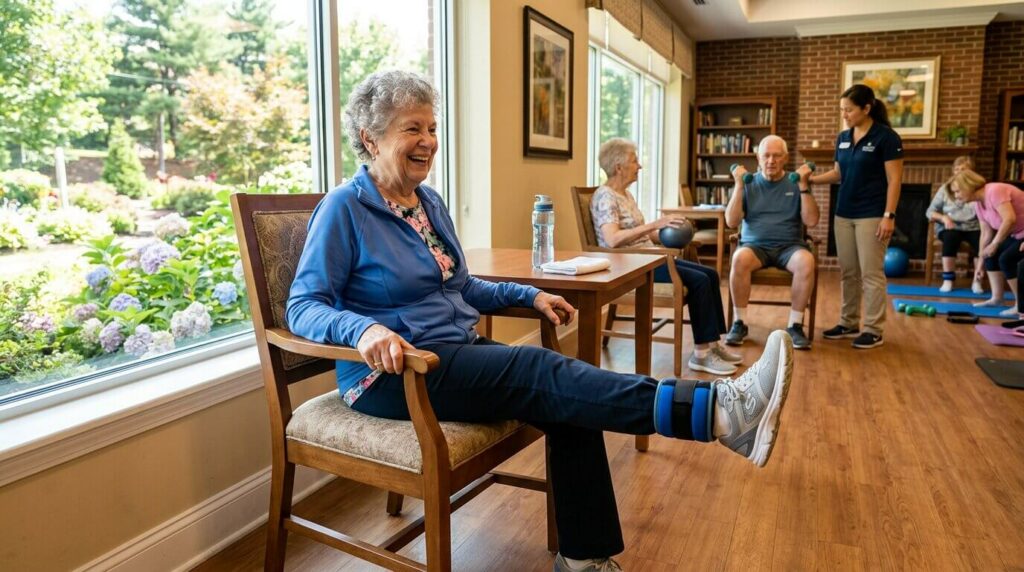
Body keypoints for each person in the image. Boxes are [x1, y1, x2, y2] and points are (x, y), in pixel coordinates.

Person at [285, 71, 796, 572]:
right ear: (370, 139)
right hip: (393, 375)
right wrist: (365, 329)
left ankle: (583, 556)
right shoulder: (344, 208)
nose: (428, 141)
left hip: (452, 354)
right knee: (542, 370)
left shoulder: (428, 204)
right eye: (412, 129)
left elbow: (461, 286)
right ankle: (716, 412)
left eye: (432, 127)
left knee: (567, 399)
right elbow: (303, 305)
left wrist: (528, 294)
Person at [591, 138, 741, 376]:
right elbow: (612, 239)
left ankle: (713, 345)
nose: (639, 166)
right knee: (699, 281)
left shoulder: (626, 196)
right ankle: (701, 355)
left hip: (650, 256)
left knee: (710, 275)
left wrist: (669, 229)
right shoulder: (605, 196)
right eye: (634, 161)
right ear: (618, 167)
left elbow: (641, 233)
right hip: (631, 265)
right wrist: (655, 223)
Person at [808, 84, 904, 349]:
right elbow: (839, 173)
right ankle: (848, 322)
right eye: (842, 110)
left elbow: (894, 180)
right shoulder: (843, 138)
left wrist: (889, 215)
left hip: (872, 214)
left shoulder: (887, 138)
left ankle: (874, 329)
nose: (845, 115)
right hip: (844, 213)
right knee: (848, 272)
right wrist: (812, 179)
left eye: (849, 110)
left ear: (866, 108)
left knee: (871, 273)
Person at [724, 135, 819, 350]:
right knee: (738, 258)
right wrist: (739, 186)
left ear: (785, 158)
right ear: (758, 157)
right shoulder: (748, 184)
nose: (771, 161)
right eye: (766, 155)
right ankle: (740, 323)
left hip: (790, 247)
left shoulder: (795, 183)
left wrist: (804, 186)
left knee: (806, 261)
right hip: (755, 247)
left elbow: (811, 221)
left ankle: (795, 325)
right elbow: (731, 221)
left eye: (776, 156)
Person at [948, 168, 1024, 319]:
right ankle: (997, 299)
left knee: (1006, 259)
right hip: (1018, 234)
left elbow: (1010, 219)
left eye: (957, 191)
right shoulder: (978, 204)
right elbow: (986, 234)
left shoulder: (994, 191)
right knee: (990, 255)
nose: (956, 196)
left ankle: (1020, 306)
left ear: (968, 186)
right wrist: (980, 263)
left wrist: (995, 244)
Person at [925, 155, 983, 293]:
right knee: (951, 237)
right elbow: (930, 211)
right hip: (951, 226)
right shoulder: (945, 189)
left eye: (963, 169)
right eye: (956, 169)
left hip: (973, 226)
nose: (959, 173)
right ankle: (948, 279)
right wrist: (944, 218)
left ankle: (977, 280)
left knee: (981, 242)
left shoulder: (979, 189)